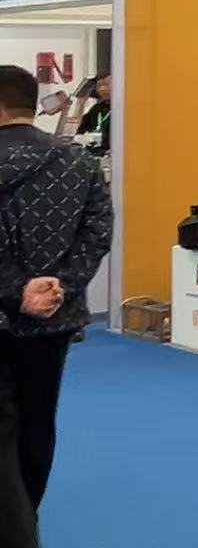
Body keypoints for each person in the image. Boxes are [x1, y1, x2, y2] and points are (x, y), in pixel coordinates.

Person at [0, 64, 113, 548]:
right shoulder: (78, 160)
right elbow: (99, 230)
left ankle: (16, 531)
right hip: (56, 320)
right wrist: (58, 288)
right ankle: (26, 516)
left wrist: (16, 290)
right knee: (38, 421)